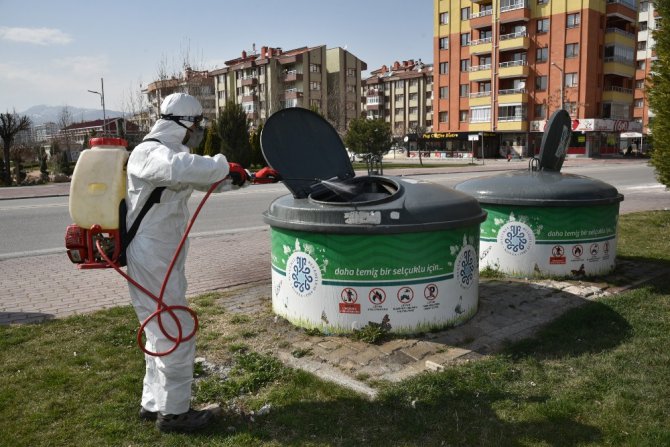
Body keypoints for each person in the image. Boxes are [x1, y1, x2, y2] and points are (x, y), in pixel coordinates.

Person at [125, 93, 248, 433]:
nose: (198, 131)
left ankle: (153, 404)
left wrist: (242, 176)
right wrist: (224, 165)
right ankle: (175, 414)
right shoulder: (149, 152)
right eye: (196, 125)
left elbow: (197, 178)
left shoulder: (174, 154)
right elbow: (182, 170)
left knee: (157, 331)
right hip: (152, 255)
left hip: (164, 252)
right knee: (173, 330)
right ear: (180, 123)